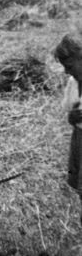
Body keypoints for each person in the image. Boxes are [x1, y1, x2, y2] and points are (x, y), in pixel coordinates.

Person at [54, 30, 82, 224]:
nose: (66, 71)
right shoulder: (74, 82)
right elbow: (70, 111)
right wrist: (72, 118)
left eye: (70, 66)